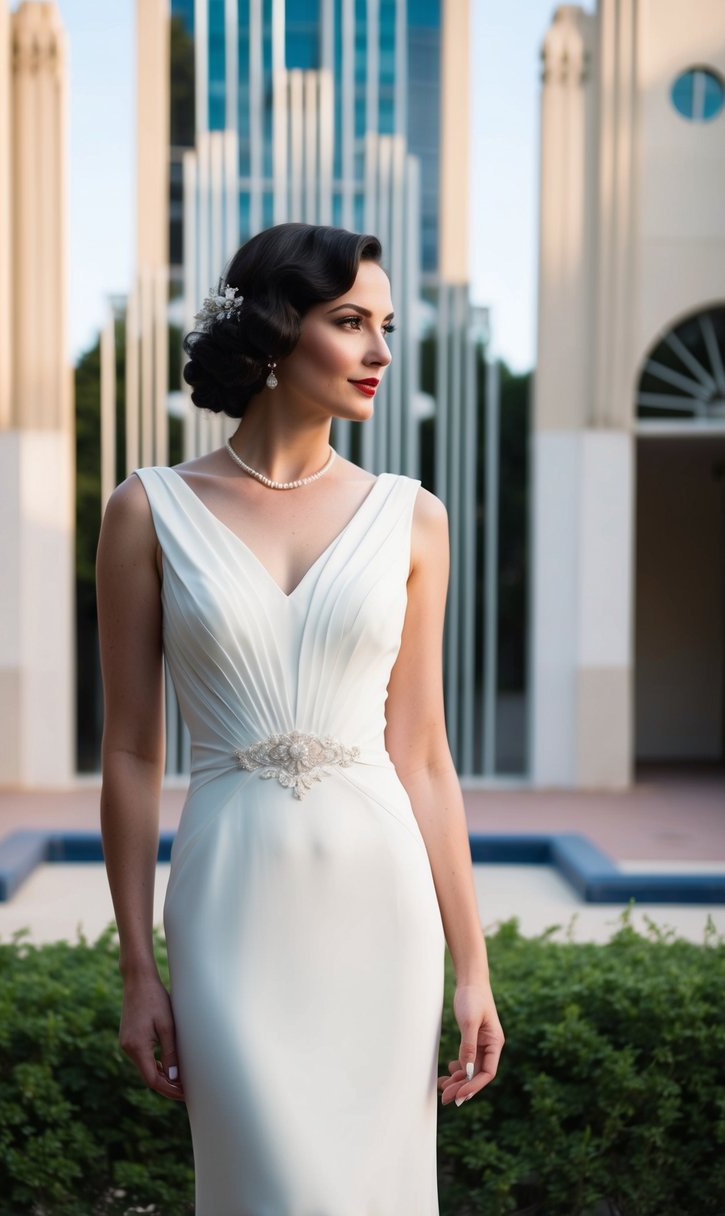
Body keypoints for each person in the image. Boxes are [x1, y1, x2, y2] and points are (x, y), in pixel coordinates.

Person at [96, 222, 504, 1213]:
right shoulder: (145, 510)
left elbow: (422, 756)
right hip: (230, 910)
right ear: (278, 332)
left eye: (386, 326)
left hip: (383, 911)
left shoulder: (413, 517)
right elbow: (131, 750)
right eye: (350, 321)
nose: (379, 353)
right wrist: (137, 969)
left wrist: (472, 965)